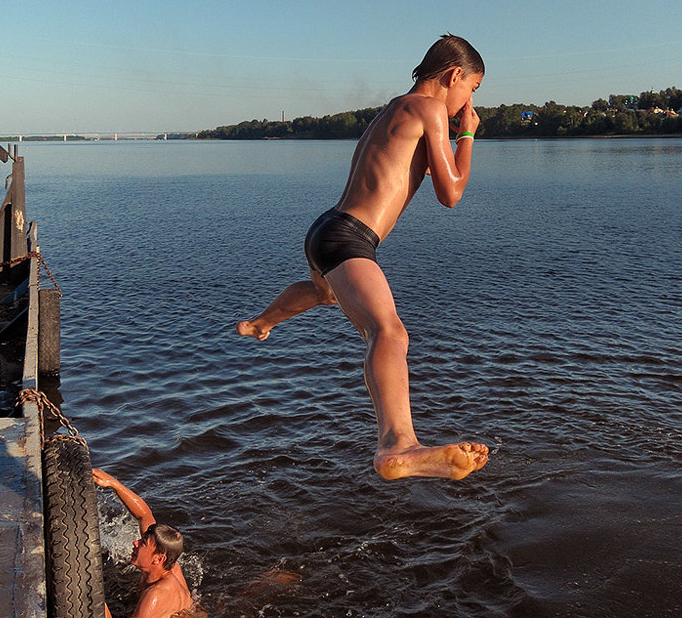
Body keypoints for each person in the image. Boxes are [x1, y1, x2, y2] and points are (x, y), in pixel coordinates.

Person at [236, 34, 490, 481]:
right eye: (472, 89)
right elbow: (451, 192)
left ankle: (262, 323)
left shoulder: (398, 109)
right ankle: (398, 444)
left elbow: (429, 168)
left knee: (326, 293)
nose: (468, 101)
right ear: (454, 76)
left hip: (326, 230)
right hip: (349, 238)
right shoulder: (430, 109)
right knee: (388, 331)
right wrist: (466, 134)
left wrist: (453, 137)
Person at [92, 468, 196, 618]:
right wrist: (113, 484)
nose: (135, 542)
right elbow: (143, 514)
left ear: (158, 559)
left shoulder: (156, 595)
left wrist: (96, 596)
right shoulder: (165, 564)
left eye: (143, 543)